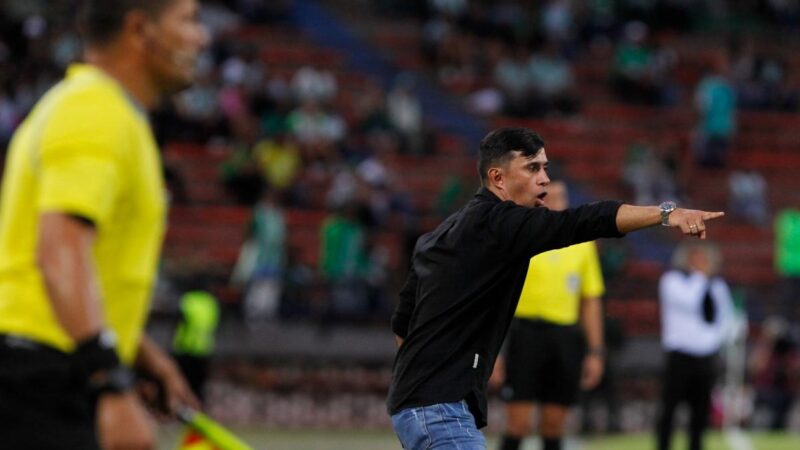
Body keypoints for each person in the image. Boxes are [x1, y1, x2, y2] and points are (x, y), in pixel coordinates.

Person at [387, 127, 724, 450]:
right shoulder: (502, 224)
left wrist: (423, 380)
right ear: (498, 178)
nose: (544, 178)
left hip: (421, 402)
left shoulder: (439, 235)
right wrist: (666, 214)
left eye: (544, 167)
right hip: (441, 408)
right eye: (532, 168)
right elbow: (587, 220)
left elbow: (403, 323)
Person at [0, 1, 208, 449]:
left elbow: (76, 260)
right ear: (139, 29)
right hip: (39, 381)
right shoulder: (96, 113)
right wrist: (110, 380)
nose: (201, 37)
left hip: (45, 368)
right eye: (188, 20)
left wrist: (136, 351)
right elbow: (59, 251)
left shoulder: (102, 111)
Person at [492, 181, 607, 450]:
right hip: (524, 334)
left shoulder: (582, 244)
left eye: (560, 197)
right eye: (548, 196)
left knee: (554, 425)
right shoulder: (521, 237)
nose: (555, 202)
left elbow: (590, 301)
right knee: (518, 423)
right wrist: (493, 351)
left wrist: (596, 351)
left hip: (564, 337)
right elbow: (497, 297)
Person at [656, 241, 735, 450]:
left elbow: (725, 317)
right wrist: (702, 278)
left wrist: (715, 341)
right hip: (680, 355)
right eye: (697, 258)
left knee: (700, 413)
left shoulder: (717, 286)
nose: (702, 263)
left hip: (706, 356)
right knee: (669, 409)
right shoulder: (672, 281)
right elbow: (690, 301)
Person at [172, 284, 220, 404]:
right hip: (204, 349)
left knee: (183, 383)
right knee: (199, 387)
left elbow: (179, 320)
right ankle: (198, 408)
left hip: (185, 348)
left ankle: (184, 408)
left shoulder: (188, 300)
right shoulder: (211, 303)